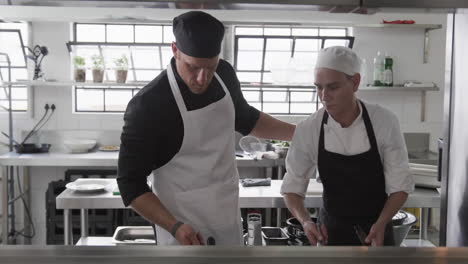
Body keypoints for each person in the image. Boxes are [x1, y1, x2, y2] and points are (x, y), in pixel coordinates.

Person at [117, 11, 295, 246]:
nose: (202, 78)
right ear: (175, 50)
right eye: (193, 67)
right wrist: (175, 226)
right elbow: (130, 184)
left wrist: (301, 134)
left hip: (226, 216)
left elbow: (246, 118)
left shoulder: (225, 74)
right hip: (181, 227)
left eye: (210, 67)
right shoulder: (148, 106)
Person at [281, 46, 414, 246]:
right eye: (318, 87)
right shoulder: (309, 128)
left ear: (355, 82)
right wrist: (306, 221)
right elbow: (292, 188)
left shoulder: (384, 121)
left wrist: (382, 222)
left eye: (333, 87)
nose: (324, 96)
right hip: (330, 232)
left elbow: (400, 186)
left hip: (377, 230)